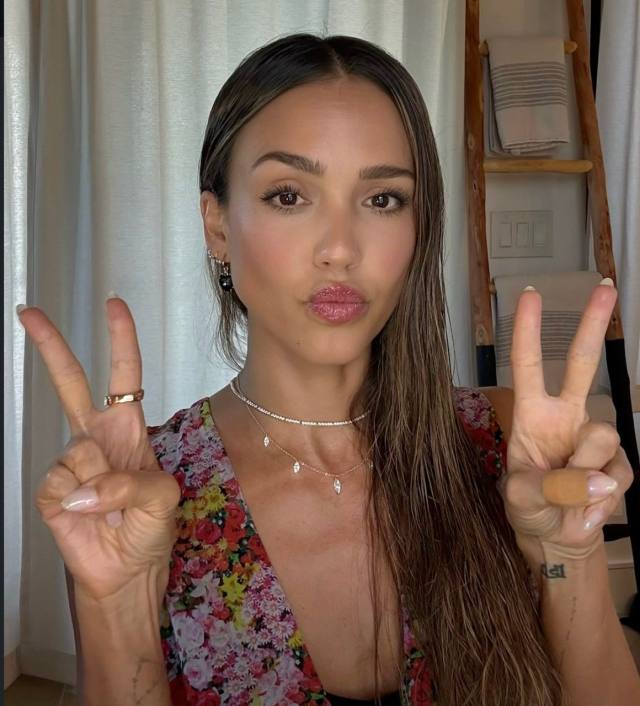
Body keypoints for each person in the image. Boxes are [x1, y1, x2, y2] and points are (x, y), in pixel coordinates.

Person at [16, 32, 639, 706]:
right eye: (289, 195)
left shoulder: (504, 444)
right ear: (217, 226)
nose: (340, 249)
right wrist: (114, 604)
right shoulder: (139, 493)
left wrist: (569, 556)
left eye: (383, 199)